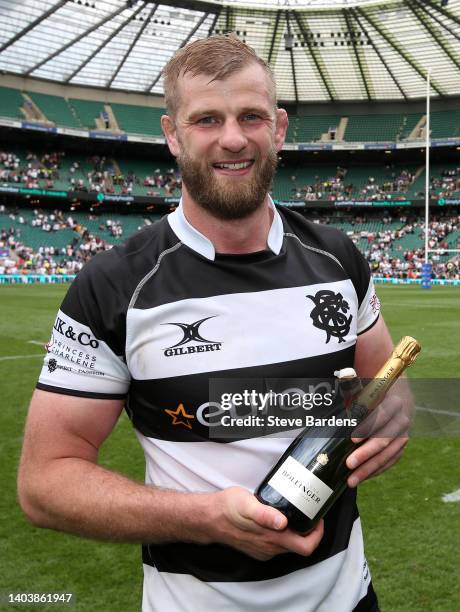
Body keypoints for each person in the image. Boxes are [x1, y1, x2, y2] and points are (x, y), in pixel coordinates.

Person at [18, 34, 409, 611]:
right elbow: (44, 483)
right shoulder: (113, 287)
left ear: (277, 129)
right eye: (207, 119)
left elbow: (385, 385)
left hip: (348, 599)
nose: (233, 138)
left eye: (250, 116)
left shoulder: (339, 258)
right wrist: (204, 518)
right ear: (173, 135)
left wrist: (398, 411)